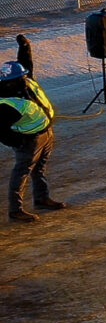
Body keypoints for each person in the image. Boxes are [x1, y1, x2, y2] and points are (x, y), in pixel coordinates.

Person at [2, 35, 62, 223]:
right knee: (22, 172)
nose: (25, 78)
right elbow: (1, 131)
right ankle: (15, 210)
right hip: (29, 140)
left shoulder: (24, 82)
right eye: (21, 77)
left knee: (40, 168)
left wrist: (25, 46)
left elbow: (25, 63)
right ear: (10, 82)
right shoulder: (6, 104)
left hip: (45, 133)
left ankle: (41, 198)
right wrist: (19, 142)